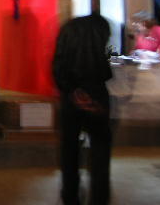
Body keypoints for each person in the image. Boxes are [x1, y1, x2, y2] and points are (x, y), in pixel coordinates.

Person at [52, 14, 113, 205]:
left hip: (71, 96)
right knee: (100, 149)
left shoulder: (67, 30)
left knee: (69, 148)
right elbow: (103, 61)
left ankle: (70, 195)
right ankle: (99, 196)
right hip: (97, 93)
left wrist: (72, 90)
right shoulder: (101, 27)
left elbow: (57, 66)